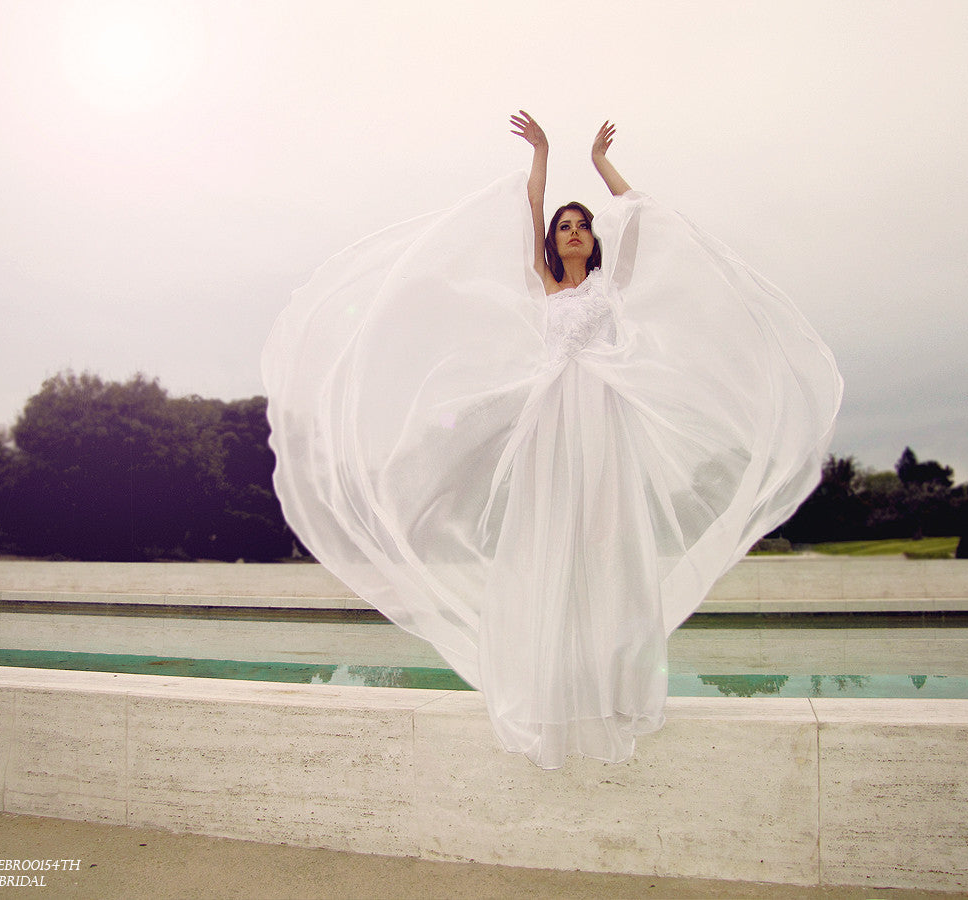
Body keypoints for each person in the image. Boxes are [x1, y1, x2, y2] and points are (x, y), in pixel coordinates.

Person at [262, 112, 842, 769]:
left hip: (603, 423)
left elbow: (638, 218)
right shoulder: (542, 285)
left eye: (581, 225)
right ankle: (552, 685)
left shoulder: (609, 285)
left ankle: (615, 685)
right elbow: (529, 207)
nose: (572, 231)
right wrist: (541, 153)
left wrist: (599, 162)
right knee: (551, 538)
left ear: (593, 239)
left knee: (607, 540)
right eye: (564, 226)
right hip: (552, 424)